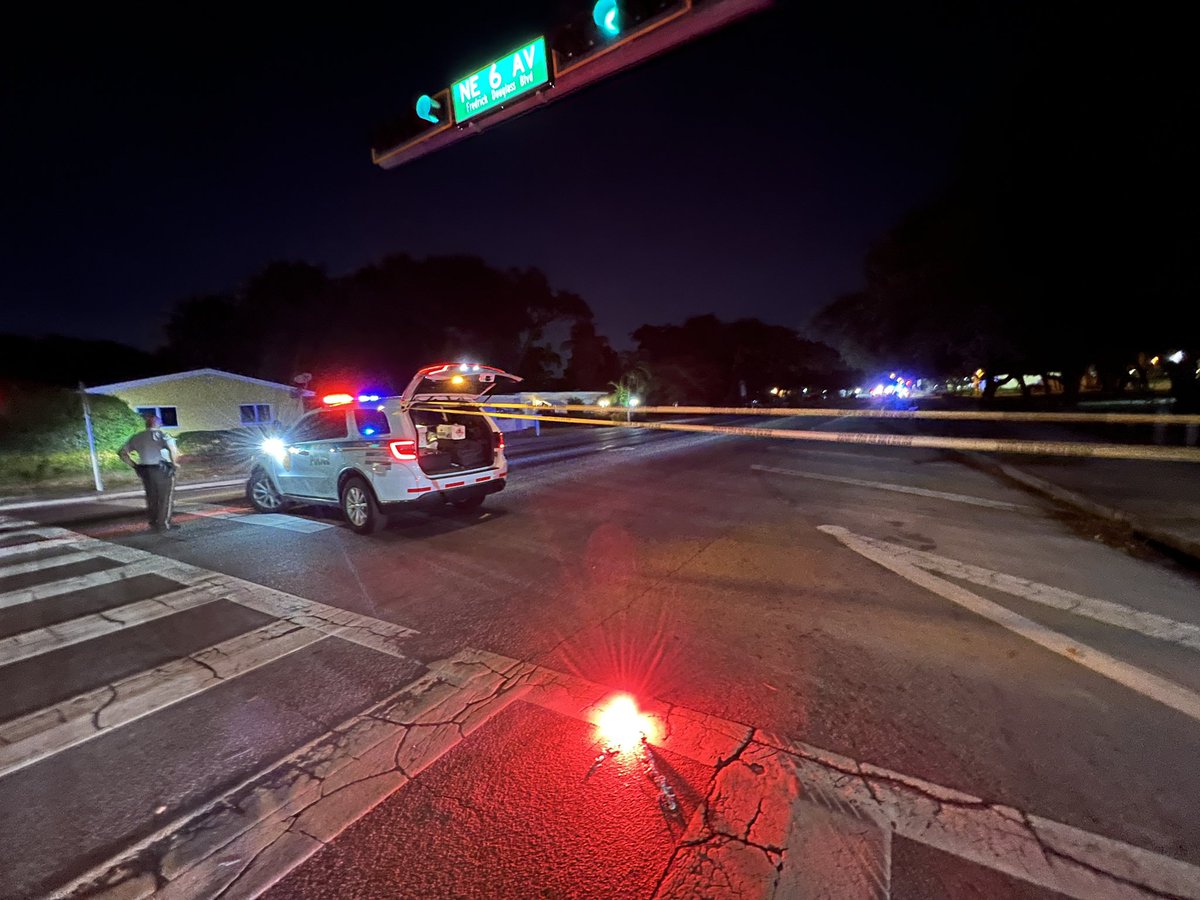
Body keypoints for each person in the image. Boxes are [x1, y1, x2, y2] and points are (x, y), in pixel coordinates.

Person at [118, 413, 181, 532]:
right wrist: (173, 463)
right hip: (161, 469)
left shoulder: (137, 437)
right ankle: (163, 524)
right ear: (157, 424)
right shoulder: (162, 435)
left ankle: (153, 522)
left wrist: (135, 466)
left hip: (145, 469)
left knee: (151, 497)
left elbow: (122, 453)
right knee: (164, 498)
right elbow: (172, 449)